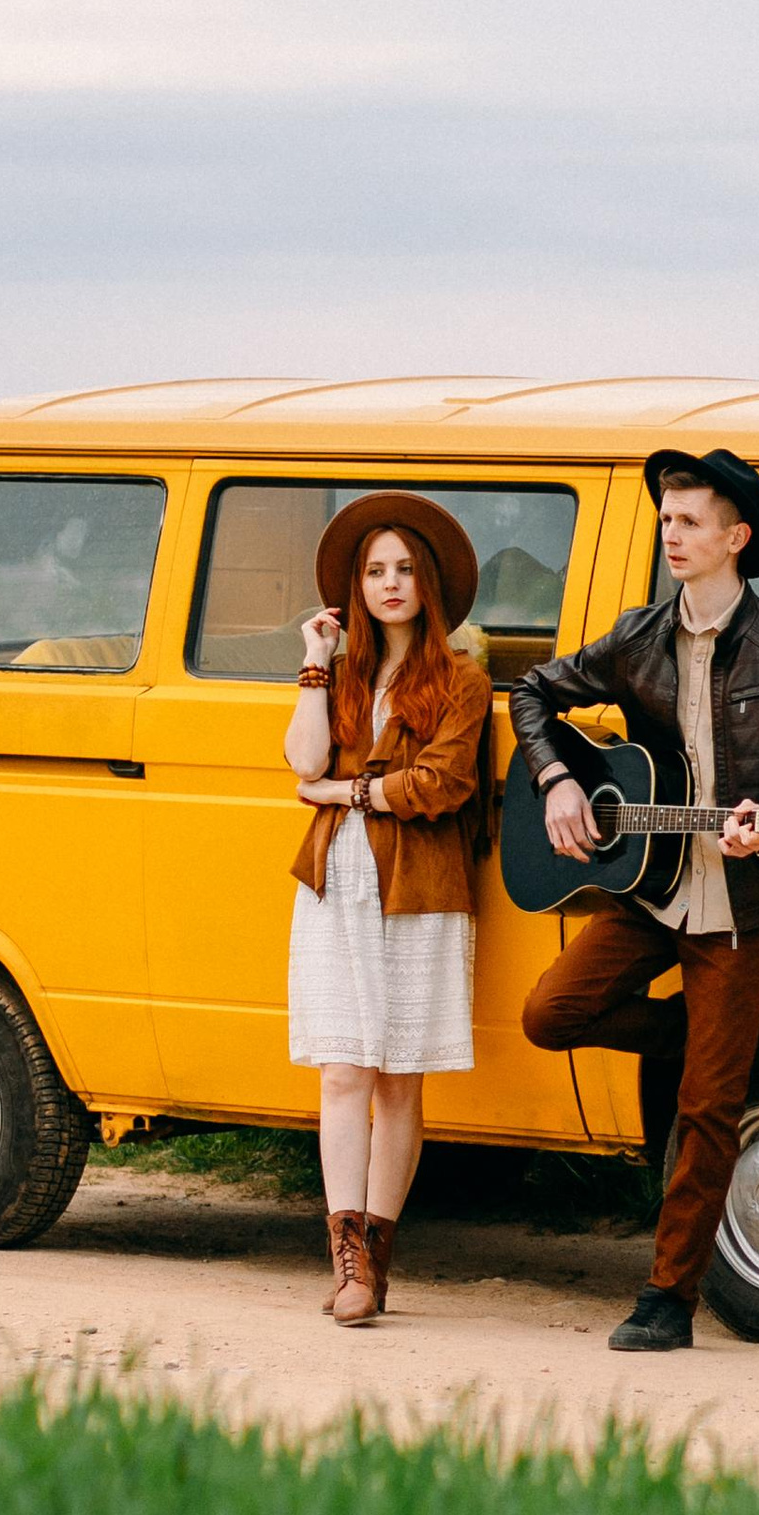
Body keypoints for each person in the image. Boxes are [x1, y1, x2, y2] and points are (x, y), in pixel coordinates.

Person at [511, 445, 759, 1352]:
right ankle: (700, 1044)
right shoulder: (638, 636)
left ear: (737, 536)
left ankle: (668, 1301)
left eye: (689, 522)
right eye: (666, 521)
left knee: (705, 1109)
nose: (672, 536)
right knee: (551, 1011)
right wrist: (556, 782)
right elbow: (532, 691)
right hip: (650, 888)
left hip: (743, 903)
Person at [284, 492, 492, 1327]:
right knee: (343, 1070)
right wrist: (313, 659)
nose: (391, 583)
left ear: (429, 584)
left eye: (405, 569)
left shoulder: (462, 681)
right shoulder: (338, 675)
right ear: (355, 588)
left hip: (419, 886)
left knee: (399, 1078)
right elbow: (299, 759)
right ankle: (347, 1263)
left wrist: (345, 789)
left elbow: (443, 784)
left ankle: (376, 1255)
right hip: (338, 882)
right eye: (375, 571)